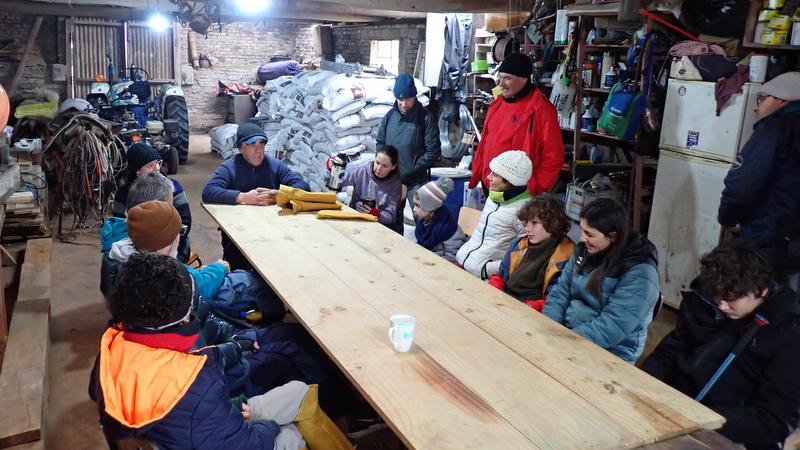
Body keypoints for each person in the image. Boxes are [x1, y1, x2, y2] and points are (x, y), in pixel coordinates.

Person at [89, 252, 282, 449]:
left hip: (181, 430)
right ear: (184, 316)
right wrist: (270, 426)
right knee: (294, 402)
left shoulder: (110, 349)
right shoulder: (199, 386)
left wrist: (232, 349)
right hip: (233, 434)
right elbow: (250, 445)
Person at [640, 241, 800, 449]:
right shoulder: (707, 299)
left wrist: (700, 420)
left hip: (732, 433)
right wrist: (643, 386)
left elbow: (774, 420)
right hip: (680, 409)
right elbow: (671, 350)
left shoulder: (789, 332)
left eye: (731, 299)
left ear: (761, 290)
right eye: (718, 297)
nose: (722, 306)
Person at [542, 198, 659, 364]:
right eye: (582, 231)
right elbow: (560, 292)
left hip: (609, 352)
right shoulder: (584, 250)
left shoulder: (639, 270)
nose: (582, 238)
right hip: (566, 336)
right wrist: (548, 329)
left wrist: (564, 343)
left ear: (613, 235)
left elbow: (613, 326)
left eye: (590, 234)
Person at [718, 72, 800, 284]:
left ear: (783, 100)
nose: (756, 107)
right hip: (794, 242)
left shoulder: (774, 130)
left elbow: (743, 184)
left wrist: (726, 216)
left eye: (762, 99)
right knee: (788, 298)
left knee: (760, 291)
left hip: (769, 235)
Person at [202, 123, 310, 270]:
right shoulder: (230, 167)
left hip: (273, 229)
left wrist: (280, 195)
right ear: (241, 148)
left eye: (261, 144)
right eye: (252, 145)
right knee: (239, 266)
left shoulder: (275, 166)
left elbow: (303, 187)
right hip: (239, 231)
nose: (258, 150)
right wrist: (242, 197)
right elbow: (209, 192)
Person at [467, 53, 563, 196]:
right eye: (500, 77)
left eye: (507, 78)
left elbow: (553, 155)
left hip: (519, 190)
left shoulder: (542, 109)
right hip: (491, 184)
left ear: (524, 78)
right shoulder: (497, 104)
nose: (501, 84)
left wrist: (536, 186)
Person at [488, 194, 575, 311]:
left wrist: (526, 307)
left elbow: (554, 300)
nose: (527, 229)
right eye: (526, 223)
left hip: (530, 310)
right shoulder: (518, 245)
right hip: (505, 301)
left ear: (554, 223)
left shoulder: (564, 258)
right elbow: (501, 275)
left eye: (534, 223)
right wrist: (492, 294)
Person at [455, 150, 532, 279]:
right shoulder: (494, 197)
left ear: (509, 180)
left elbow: (525, 255)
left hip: (485, 278)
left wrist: (487, 269)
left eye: (495, 174)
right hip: (464, 263)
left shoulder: (526, 211)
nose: (488, 177)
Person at [375, 74, 441, 219]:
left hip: (416, 180)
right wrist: (385, 165)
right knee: (390, 217)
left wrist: (411, 170)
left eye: (408, 99)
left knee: (422, 217)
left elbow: (433, 151)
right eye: (400, 100)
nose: (404, 104)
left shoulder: (425, 119)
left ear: (415, 97)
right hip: (392, 179)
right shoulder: (390, 116)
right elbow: (380, 142)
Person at [112, 143, 192, 262]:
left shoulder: (173, 187)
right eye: (150, 165)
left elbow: (185, 221)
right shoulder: (123, 194)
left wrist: (166, 244)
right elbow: (120, 225)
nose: (157, 168)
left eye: (158, 162)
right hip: (136, 248)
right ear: (137, 171)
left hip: (172, 246)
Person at [100, 173, 175, 260]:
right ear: (154, 208)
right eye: (169, 208)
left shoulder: (116, 233)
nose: (171, 213)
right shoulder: (141, 247)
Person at [339, 145, 403, 232]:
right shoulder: (362, 170)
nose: (379, 168)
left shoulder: (395, 185)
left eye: (385, 166)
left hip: (379, 227)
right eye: (377, 163)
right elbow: (336, 181)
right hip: (356, 219)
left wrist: (378, 215)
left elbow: (390, 216)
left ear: (393, 167)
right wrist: (333, 168)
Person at [413, 177, 465, 262]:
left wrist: (428, 262)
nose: (414, 209)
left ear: (430, 207)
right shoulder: (423, 223)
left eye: (418, 206)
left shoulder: (449, 229)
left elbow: (452, 258)